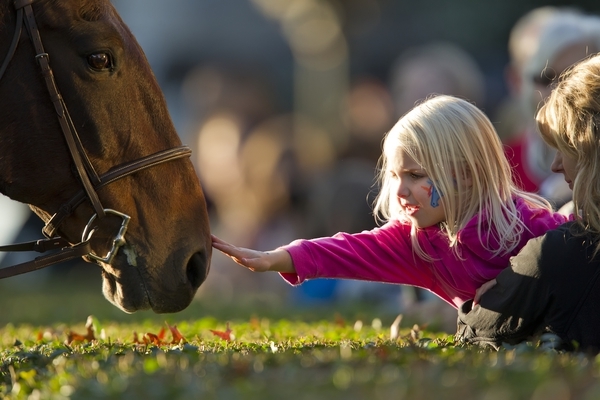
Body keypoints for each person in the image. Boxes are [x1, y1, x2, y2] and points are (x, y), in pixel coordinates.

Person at [212, 94, 568, 310]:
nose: (399, 192)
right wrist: (275, 258)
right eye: (395, 176)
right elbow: (348, 250)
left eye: (415, 176)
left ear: (467, 173)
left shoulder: (530, 228)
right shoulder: (418, 243)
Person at [456, 53, 600, 353]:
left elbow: (475, 336)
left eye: (566, 147)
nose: (557, 165)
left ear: (591, 148)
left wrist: (480, 304)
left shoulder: (563, 252)